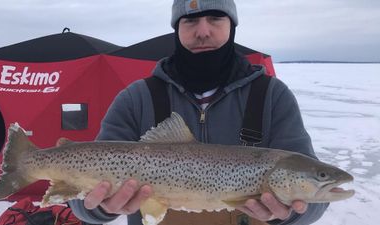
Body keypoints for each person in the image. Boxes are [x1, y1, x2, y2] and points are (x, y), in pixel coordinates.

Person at [69, 0, 329, 224]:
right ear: (177, 29)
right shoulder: (136, 99)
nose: (203, 31)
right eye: (190, 20)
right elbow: (79, 199)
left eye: (215, 18)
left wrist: (289, 215)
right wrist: (100, 208)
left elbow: (315, 200)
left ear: (232, 26)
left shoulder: (272, 96)